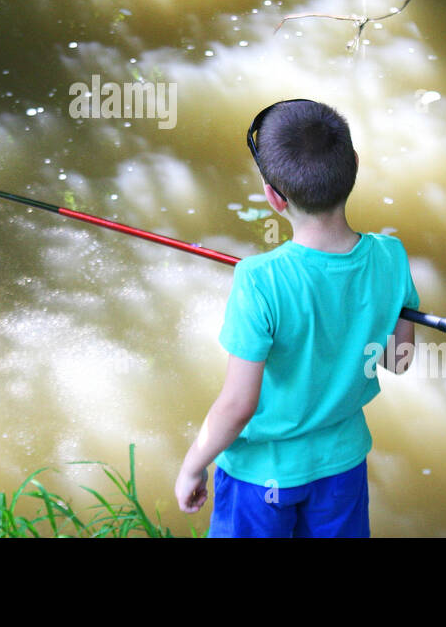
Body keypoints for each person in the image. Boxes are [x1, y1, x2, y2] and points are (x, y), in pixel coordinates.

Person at [174, 98, 417, 537]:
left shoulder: (259, 279)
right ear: (354, 166)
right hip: (341, 468)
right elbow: (398, 360)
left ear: (273, 197)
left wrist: (194, 465)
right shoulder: (391, 255)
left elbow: (238, 404)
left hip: (259, 477)